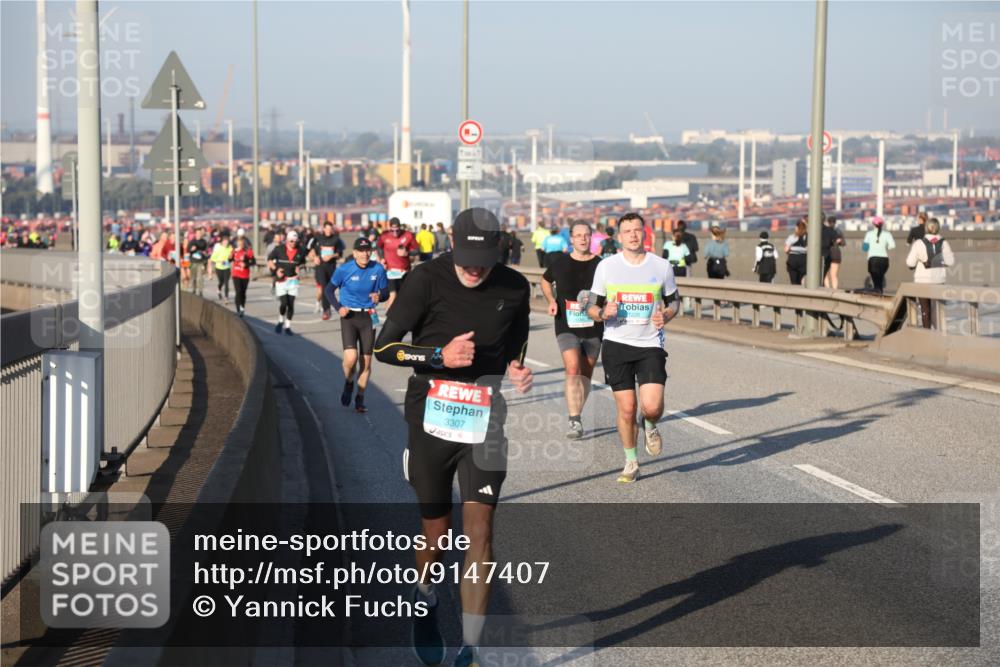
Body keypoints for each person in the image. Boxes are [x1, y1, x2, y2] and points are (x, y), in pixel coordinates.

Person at [372, 208, 532, 667]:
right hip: (432, 415)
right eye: (467, 257)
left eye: (484, 258)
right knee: (437, 534)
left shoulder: (514, 287)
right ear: (452, 244)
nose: (475, 268)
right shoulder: (426, 279)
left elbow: (515, 340)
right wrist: (439, 354)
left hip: (485, 417)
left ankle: (471, 648)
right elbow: (385, 347)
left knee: (481, 529)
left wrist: (516, 367)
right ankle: (425, 596)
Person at [585, 212, 679, 484]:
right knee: (626, 409)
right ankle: (630, 461)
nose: (633, 235)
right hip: (616, 344)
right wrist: (603, 312)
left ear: (644, 233)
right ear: (620, 235)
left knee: (651, 407)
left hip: (650, 343)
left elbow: (675, 302)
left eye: (638, 230)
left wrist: (667, 315)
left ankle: (649, 424)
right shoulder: (606, 267)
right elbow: (591, 306)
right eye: (628, 231)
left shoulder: (661, 266)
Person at [541, 221, 604, 439]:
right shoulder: (560, 262)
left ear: (591, 238)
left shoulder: (601, 265)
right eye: (578, 235)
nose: (583, 239)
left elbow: (612, 289)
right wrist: (551, 300)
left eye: (586, 235)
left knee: (586, 374)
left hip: (594, 325)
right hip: (566, 323)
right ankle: (574, 419)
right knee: (573, 368)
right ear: (572, 239)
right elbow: (545, 280)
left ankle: (577, 411)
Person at [325, 237, 389, 413]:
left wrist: (380, 297)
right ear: (354, 253)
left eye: (368, 250)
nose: (365, 254)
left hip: (368, 317)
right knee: (350, 359)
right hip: (349, 317)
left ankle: (360, 398)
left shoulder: (378, 269)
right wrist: (339, 308)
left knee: (366, 363)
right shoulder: (344, 270)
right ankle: (349, 382)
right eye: (361, 251)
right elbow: (328, 290)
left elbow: (385, 292)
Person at [906, 217, 955, 329]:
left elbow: (910, 263)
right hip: (939, 280)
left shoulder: (919, 243)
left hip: (922, 281)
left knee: (925, 309)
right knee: (936, 310)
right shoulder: (943, 242)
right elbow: (950, 261)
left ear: (926, 228)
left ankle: (927, 334)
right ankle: (939, 334)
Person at [267, 229, 307, 335]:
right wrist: (276, 270)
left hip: (293, 281)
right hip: (282, 280)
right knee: (284, 303)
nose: (293, 243)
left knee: (291, 304)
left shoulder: (301, 250)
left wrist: (300, 269)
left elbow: (303, 264)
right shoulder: (279, 249)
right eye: (291, 241)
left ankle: (288, 326)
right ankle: (280, 320)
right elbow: (270, 260)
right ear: (287, 241)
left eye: (295, 241)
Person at [376, 217, 418, 309]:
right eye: (392, 230)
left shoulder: (408, 235)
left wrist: (407, 253)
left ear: (400, 227)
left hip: (405, 271)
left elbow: (417, 250)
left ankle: (394, 315)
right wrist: (382, 258)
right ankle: (389, 318)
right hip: (390, 271)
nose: (395, 233)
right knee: (393, 295)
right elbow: (378, 247)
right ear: (389, 228)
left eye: (397, 230)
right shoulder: (384, 235)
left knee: (402, 296)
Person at [309, 220, 345, 320]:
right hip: (320, 267)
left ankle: (336, 306)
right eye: (327, 228)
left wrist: (331, 256)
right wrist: (314, 257)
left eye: (330, 229)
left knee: (331, 288)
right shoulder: (317, 238)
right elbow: (310, 250)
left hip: (331, 267)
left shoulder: (336, 239)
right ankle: (326, 310)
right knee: (324, 287)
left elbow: (339, 254)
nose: (328, 231)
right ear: (324, 228)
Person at [862, 216, 895, 294]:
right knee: (880, 278)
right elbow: (892, 245)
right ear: (882, 224)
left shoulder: (869, 234)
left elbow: (865, 248)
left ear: (873, 224)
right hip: (884, 260)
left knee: (875, 280)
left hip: (873, 259)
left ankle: (878, 292)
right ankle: (880, 292)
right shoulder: (887, 234)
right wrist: (884, 246)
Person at [231, 235, 255, 317]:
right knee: (238, 292)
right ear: (237, 244)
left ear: (244, 244)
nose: (240, 245)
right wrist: (231, 254)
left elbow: (253, 262)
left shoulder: (248, 252)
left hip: (245, 275)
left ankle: (242, 307)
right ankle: (238, 310)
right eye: (238, 244)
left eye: (241, 244)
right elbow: (229, 259)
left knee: (243, 293)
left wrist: (246, 264)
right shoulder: (234, 251)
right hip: (236, 274)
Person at [822, 215, 845, 289]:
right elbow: (843, 243)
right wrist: (838, 241)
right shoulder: (838, 231)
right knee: (834, 275)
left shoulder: (825, 230)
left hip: (827, 253)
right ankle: (834, 290)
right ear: (835, 222)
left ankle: (827, 289)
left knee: (825, 274)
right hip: (836, 254)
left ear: (827, 222)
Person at [210, 234, 234, 304]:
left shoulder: (230, 248)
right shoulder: (218, 248)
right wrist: (219, 261)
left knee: (227, 283)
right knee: (221, 281)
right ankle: (219, 288)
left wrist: (230, 257)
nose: (226, 243)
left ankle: (226, 298)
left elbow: (232, 257)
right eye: (224, 242)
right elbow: (213, 258)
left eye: (227, 242)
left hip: (227, 267)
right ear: (222, 242)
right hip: (219, 267)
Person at [187, 227, 210, 296]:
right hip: (193, 262)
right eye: (197, 233)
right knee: (193, 277)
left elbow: (207, 252)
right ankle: (193, 290)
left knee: (200, 277)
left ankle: (200, 291)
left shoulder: (204, 242)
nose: (199, 234)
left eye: (200, 233)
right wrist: (191, 249)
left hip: (201, 262)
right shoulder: (192, 241)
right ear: (195, 234)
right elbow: (188, 250)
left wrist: (205, 254)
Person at [785, 219, 808, 285]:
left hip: (793, 259)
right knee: (802, 279)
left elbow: (786, 250)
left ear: (797, 228)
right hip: (803, 259)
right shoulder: (807, 237)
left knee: (793, 281)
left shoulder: (791, 237)